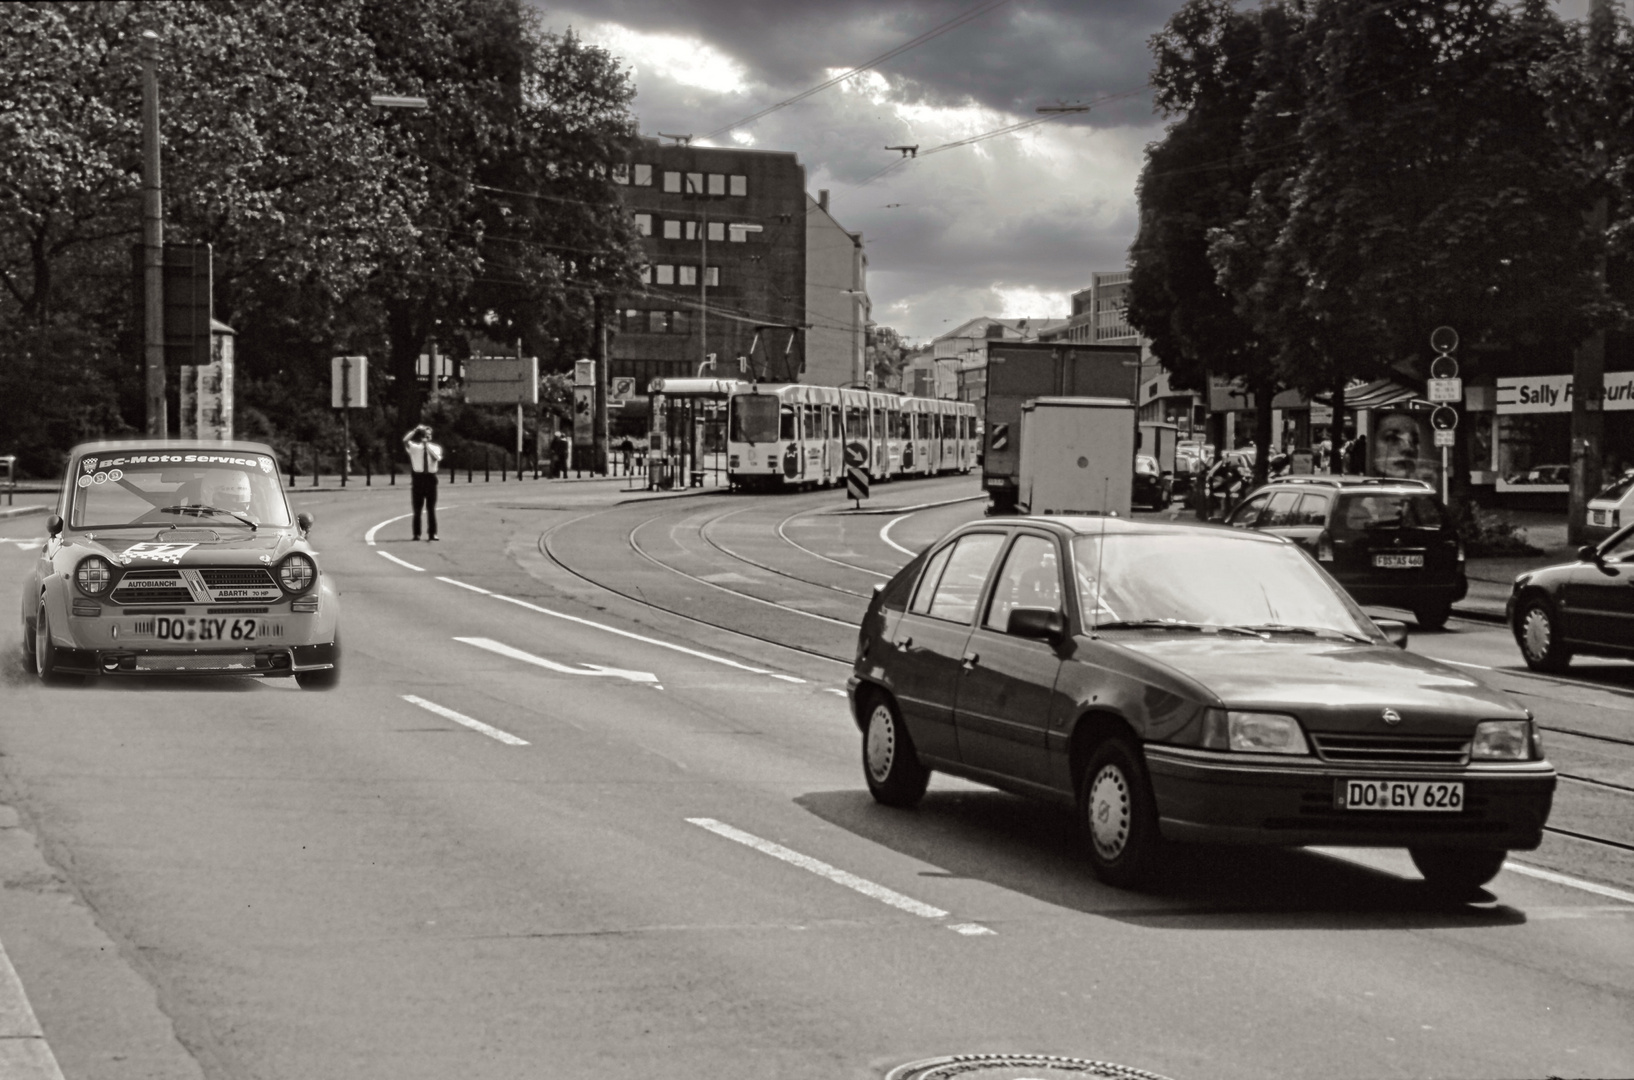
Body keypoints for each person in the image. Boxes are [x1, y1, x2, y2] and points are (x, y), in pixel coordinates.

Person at [402, 424, 443, 540]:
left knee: (431, 508)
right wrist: (415, 430)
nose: (427, 436)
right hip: (418, 478)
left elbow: (436, 458)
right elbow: (405, 440)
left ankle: (432, 533)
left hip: (431, 478)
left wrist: (427, 447)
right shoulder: (414, 448)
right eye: (425, 434)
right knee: (417, 509)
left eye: (429, 435)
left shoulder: (436, 447)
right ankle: (416, 533)